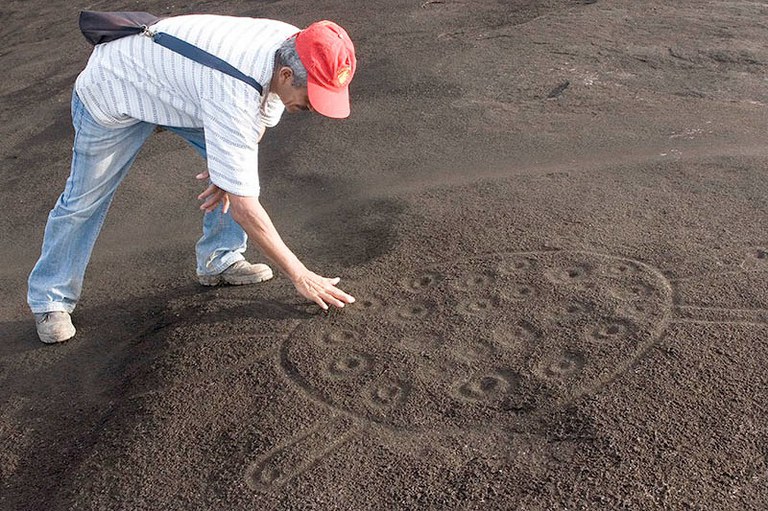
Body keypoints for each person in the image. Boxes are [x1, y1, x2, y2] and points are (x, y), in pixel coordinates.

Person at [27, 14, 357, 344]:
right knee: (84, 200)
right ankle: (50, 300)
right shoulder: (234, 89)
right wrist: (299, 274)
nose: (315, 108)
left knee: (236, 173)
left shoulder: (293, 47)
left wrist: (226, 168)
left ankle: (220, 258)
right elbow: (244, 204)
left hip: (185, 93)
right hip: (117, 89)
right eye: (312, 97)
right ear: (286, 76)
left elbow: (254, 124)